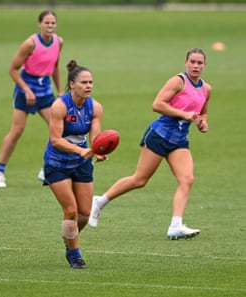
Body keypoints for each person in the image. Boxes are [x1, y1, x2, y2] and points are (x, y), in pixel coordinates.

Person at [89, 48, 211, 240]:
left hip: (179, 139)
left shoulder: (206, 89)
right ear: (186, 63)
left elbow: (203, 111)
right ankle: (100, 201)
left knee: (187, 179)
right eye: (192, 62)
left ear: (205, 65)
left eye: (199, 63)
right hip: (159, 135)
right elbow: (157, 104)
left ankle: (176, 225)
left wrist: (202, 122)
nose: (196, 66)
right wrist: (183, 114)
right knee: (139, 180)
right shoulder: (178, 81)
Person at [44, 60, 106, 269]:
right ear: (72, 84)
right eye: (83, 82)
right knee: (70, 210)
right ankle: (74, 253)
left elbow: (95, 136)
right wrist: (81, 150)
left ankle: (68, 237)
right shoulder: (60, 106)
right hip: (57, 162)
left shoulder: (95, 107)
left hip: (82, 163)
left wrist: (99, 151)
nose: (88, 86)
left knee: (85, 214)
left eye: (91, 82)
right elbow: (55, 140)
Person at [0, 10, 64, 188]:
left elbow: (55, 66)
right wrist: (26, 90)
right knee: (17, 131)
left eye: (53, 23)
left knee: (58, 130)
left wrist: (60, 90)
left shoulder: (58, 42)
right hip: (26, 89)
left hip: (45, 90)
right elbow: (13, 69)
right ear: (39, 23)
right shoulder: (30, 44)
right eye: (46, 23)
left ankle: (47, 168)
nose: (50, 26)